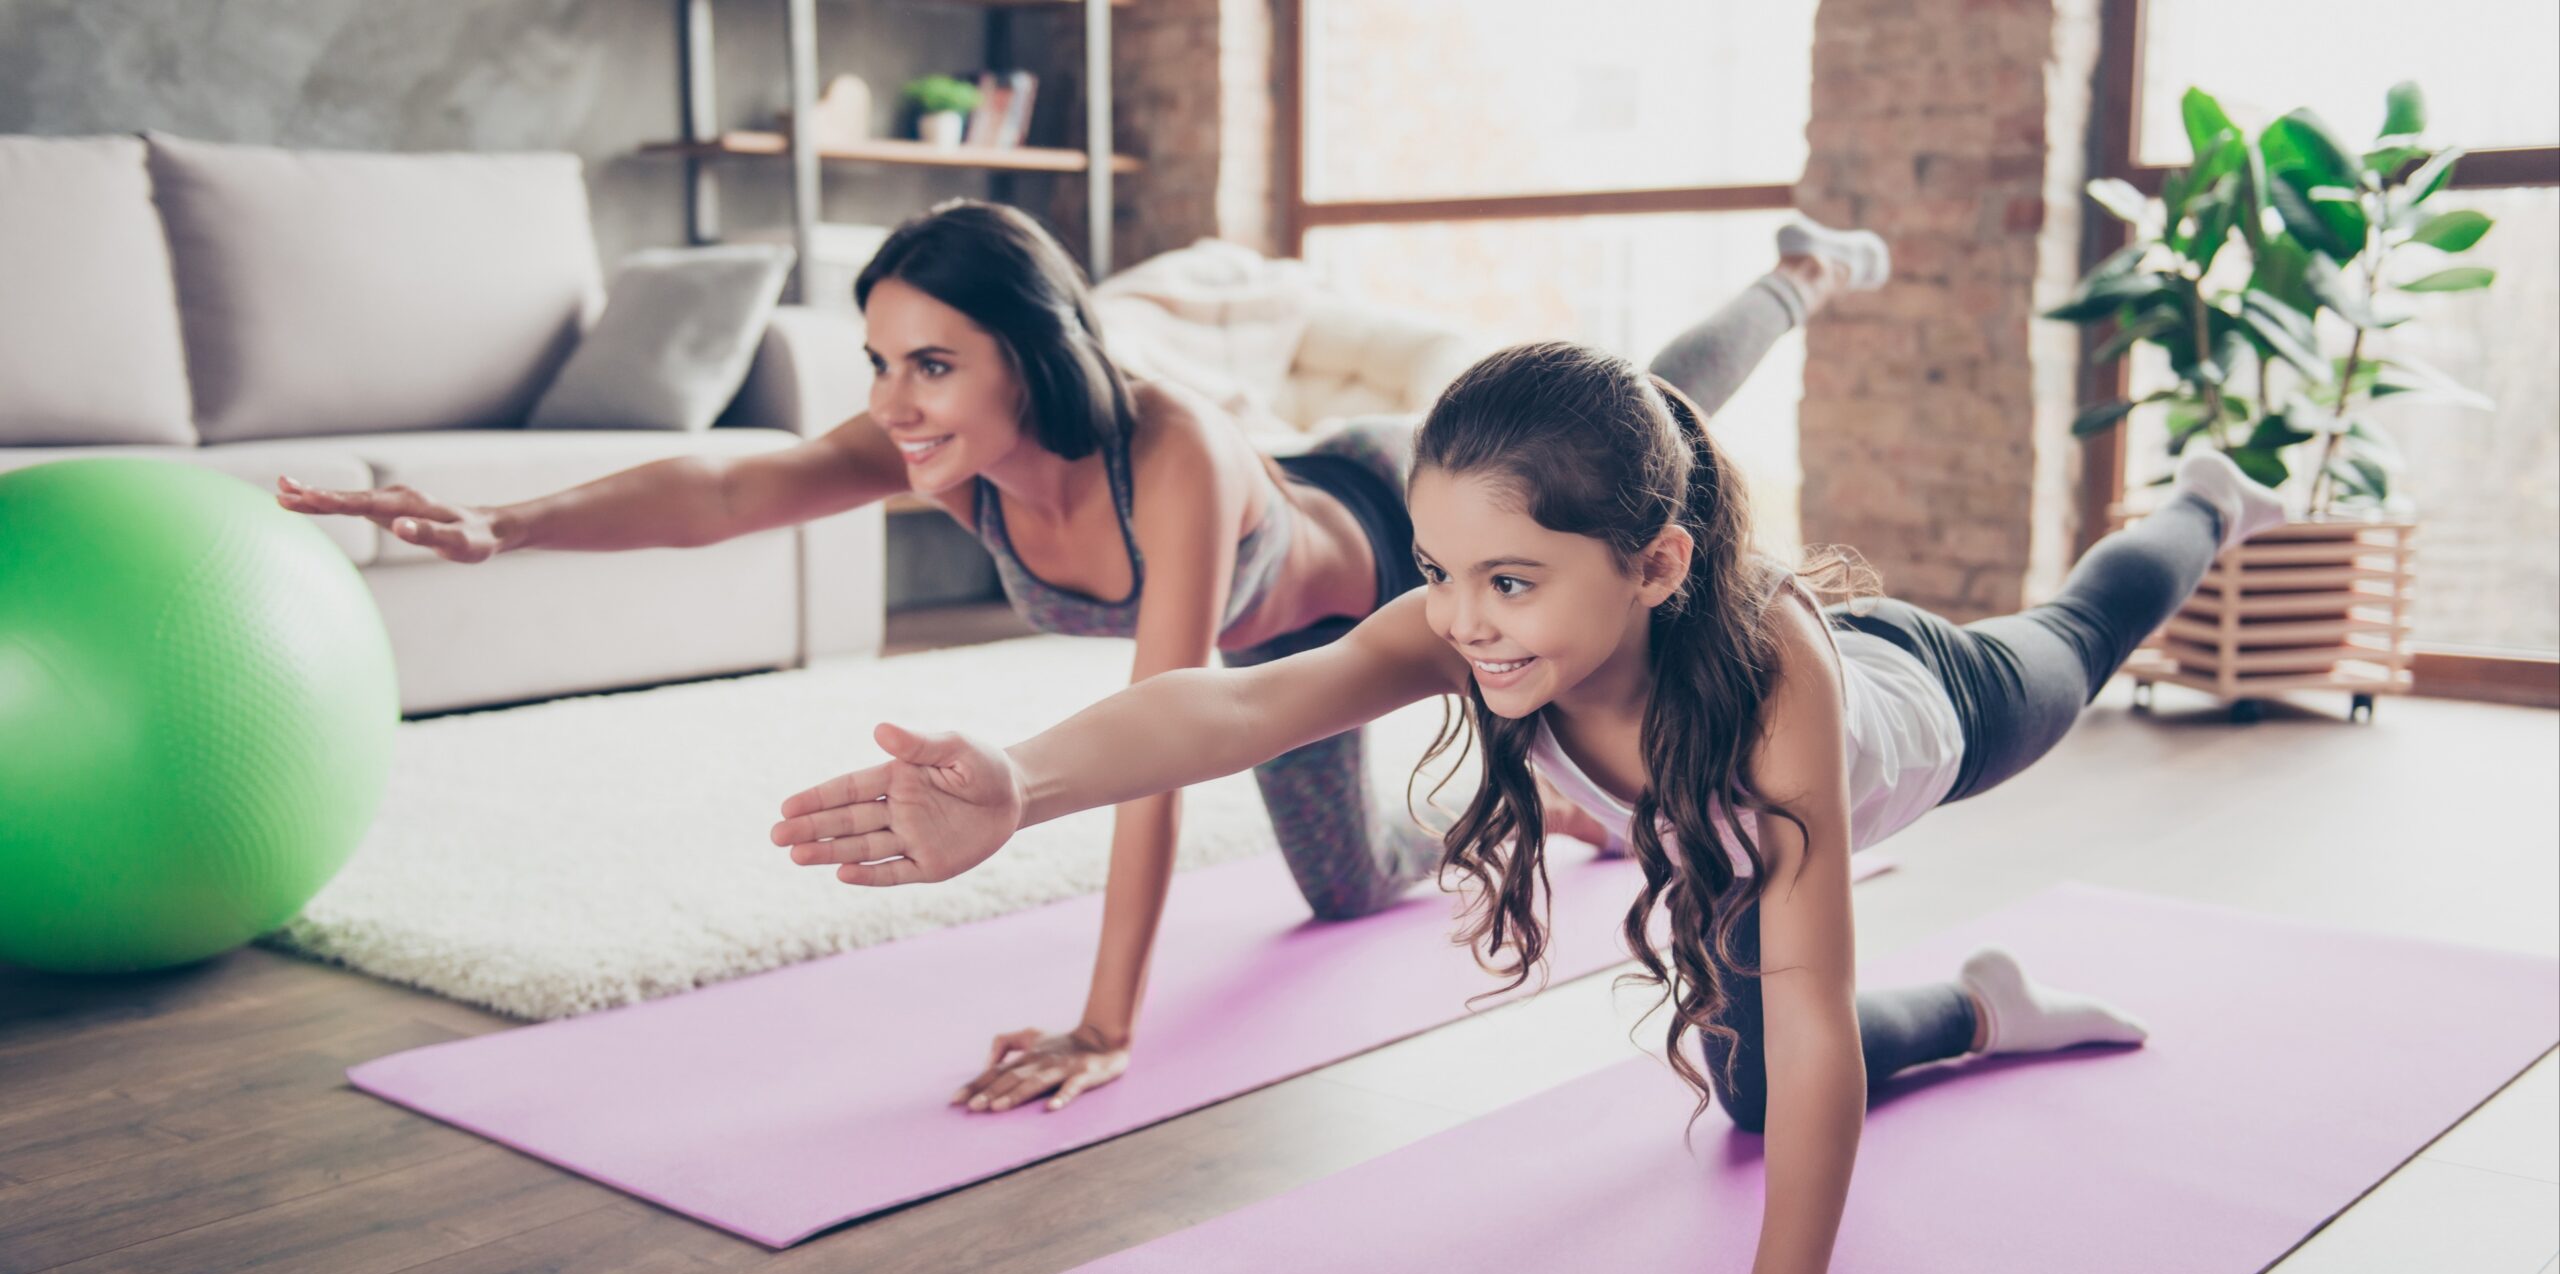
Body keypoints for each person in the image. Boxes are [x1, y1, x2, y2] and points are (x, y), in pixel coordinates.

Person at [766, 338, 2287, 1274]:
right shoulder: (1469, 622)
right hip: (1724, 837)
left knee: (2077, 646)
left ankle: (2207, 501)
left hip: (1920, 714)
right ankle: (1979, 1012)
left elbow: (1811, 1000)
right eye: (1438, 570)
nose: (1464, 621)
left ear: (1657, 566)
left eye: (1509, 582)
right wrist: (1023, 781)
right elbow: (1238, 702)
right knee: (1752, 1099)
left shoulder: (1773, 695)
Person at [279, 197, 1889, 1118]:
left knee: (1656, 414)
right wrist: (510, 524)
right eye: (879, 364)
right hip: (1300, 661)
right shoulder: (945, 448)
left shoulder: (1165, 450)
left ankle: (1795, 273)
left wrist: (1109, 1019)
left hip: (1358, 557)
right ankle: (1559, 783)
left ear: (1027, 355)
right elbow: (728, 481)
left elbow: (1169, 729)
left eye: (931, 362)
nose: (896, 398)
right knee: (1349, 888)